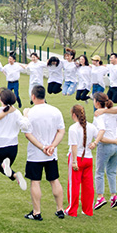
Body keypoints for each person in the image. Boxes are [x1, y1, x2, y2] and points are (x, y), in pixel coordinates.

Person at [21, 85, 66, 221]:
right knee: (54, 180)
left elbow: (27, 134)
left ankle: (37, 212)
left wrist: (42, 147)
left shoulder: (31, 113)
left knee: (35, 182)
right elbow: (61, 131)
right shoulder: (55, 111)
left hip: (36, 154)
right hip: (51, 153)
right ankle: (60, 209)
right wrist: (52, 146)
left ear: (33, 96)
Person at [0, 88, 28, 190]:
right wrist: (26, 116)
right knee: (4, 168)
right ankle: (15, 176)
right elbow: (25, 127)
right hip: (13, 146)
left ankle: (6, 166)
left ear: (1, 100)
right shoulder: (16, 112)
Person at [65, 104, 99, 217]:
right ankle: (88, 209)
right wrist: (95, 143)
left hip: (78, 157)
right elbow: (99, 135)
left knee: (74, 185)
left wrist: (74, 161)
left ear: (74, 115)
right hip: (88, 158)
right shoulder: (91, 126)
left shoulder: (73, 128)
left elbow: (74, 145)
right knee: (88, 185)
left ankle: (72, 210)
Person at [92, 92, 117, 210]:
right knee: (112, 171)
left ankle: (100, 197)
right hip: (116, 147)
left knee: (99, 172)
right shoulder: (112, 113)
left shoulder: (99, 116)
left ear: (97, 103)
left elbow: (102, 133)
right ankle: (113, 196)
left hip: (106, 146)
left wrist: (95, 142)